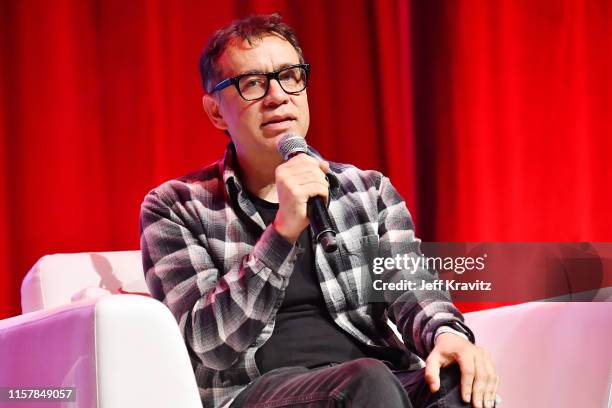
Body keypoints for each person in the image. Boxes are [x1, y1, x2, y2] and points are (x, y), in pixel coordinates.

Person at [140, 13, 499, 408]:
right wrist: (280, 234)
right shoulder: (176, 207)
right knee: (366, 380)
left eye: (290, 76)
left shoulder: (367, 191)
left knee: (455, 379)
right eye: (254, 84)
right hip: (259, 394)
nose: (278, 96)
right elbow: (209, 344)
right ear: (214, 111)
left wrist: (448, 336)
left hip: (378, 382)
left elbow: (411, 287)